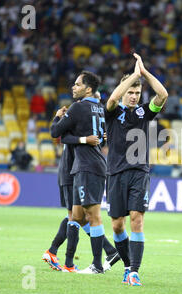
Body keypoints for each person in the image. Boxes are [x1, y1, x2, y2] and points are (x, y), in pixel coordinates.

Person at [105, 53, 168, 286]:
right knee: (117, 225)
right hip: (115, 173)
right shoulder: (112, 112)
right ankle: (127, 265)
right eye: (130, 92)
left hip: (139, 172)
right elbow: (112, 99)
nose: (133, 96)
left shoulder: (144, 112)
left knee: (136, 219)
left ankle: (134, 271)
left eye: (137, 93)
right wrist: (132, 76)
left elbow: (163, 94)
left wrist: (144, 73)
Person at [43, 103, 120, 272]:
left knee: (79, 215)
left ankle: (109, 251)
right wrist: (58, 117)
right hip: (71, 172)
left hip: (73, 171)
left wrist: (103, 136)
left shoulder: (83, 123)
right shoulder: (77, 124)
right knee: (75, 216)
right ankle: (62, 258)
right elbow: (58, 133)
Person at [50, 70, 108, 274]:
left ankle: (98, 265)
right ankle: (69, 263)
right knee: (75, 215)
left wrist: (58, 118)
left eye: (77, 84)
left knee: (93, 216)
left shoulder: (78, 107)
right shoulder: (100, 108)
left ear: (88, 88)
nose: (73, 87)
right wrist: (83, 139)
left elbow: (56, 133)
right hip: (86, 165)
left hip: (88, 166)